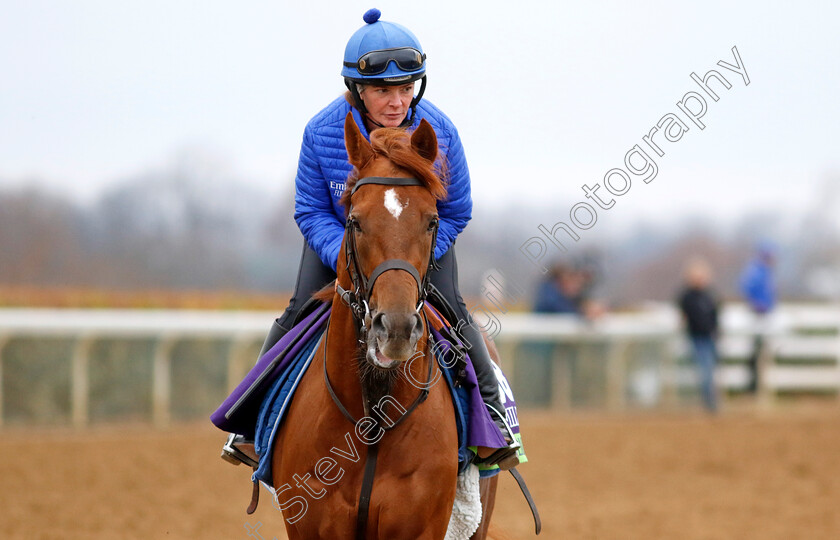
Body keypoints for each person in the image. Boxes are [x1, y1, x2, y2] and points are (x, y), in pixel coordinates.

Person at [223, 8, 518, 467]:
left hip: (418, 245)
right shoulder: (321, 130)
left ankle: (494, 423)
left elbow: (457, 210)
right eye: (383, 90)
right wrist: (347, 253)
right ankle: (248, 424)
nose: (397, 101)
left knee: (456, 314)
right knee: (296, 312)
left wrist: (416, 254)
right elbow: (311, 209)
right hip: (346, 243)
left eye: (406, 88)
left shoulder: (440, 131)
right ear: (357, 90)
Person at [677, 258, 720, 413]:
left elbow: (715, 315)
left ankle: (712, 401)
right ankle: (709, 403)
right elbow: (685, 318)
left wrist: (716, 331)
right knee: (705, 370)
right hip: (697, 338)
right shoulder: (687, 297)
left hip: (710, 337)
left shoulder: (709, 295)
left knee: (710, 370)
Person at [739, 241, 777, 393]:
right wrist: (757, 304)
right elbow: (747, 288)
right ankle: (753, 386)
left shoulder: (766, 271)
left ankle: (758, 386)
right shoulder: (756, 271)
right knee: (756, 349)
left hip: (765, 315)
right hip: (758, 315)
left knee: (763, 349)